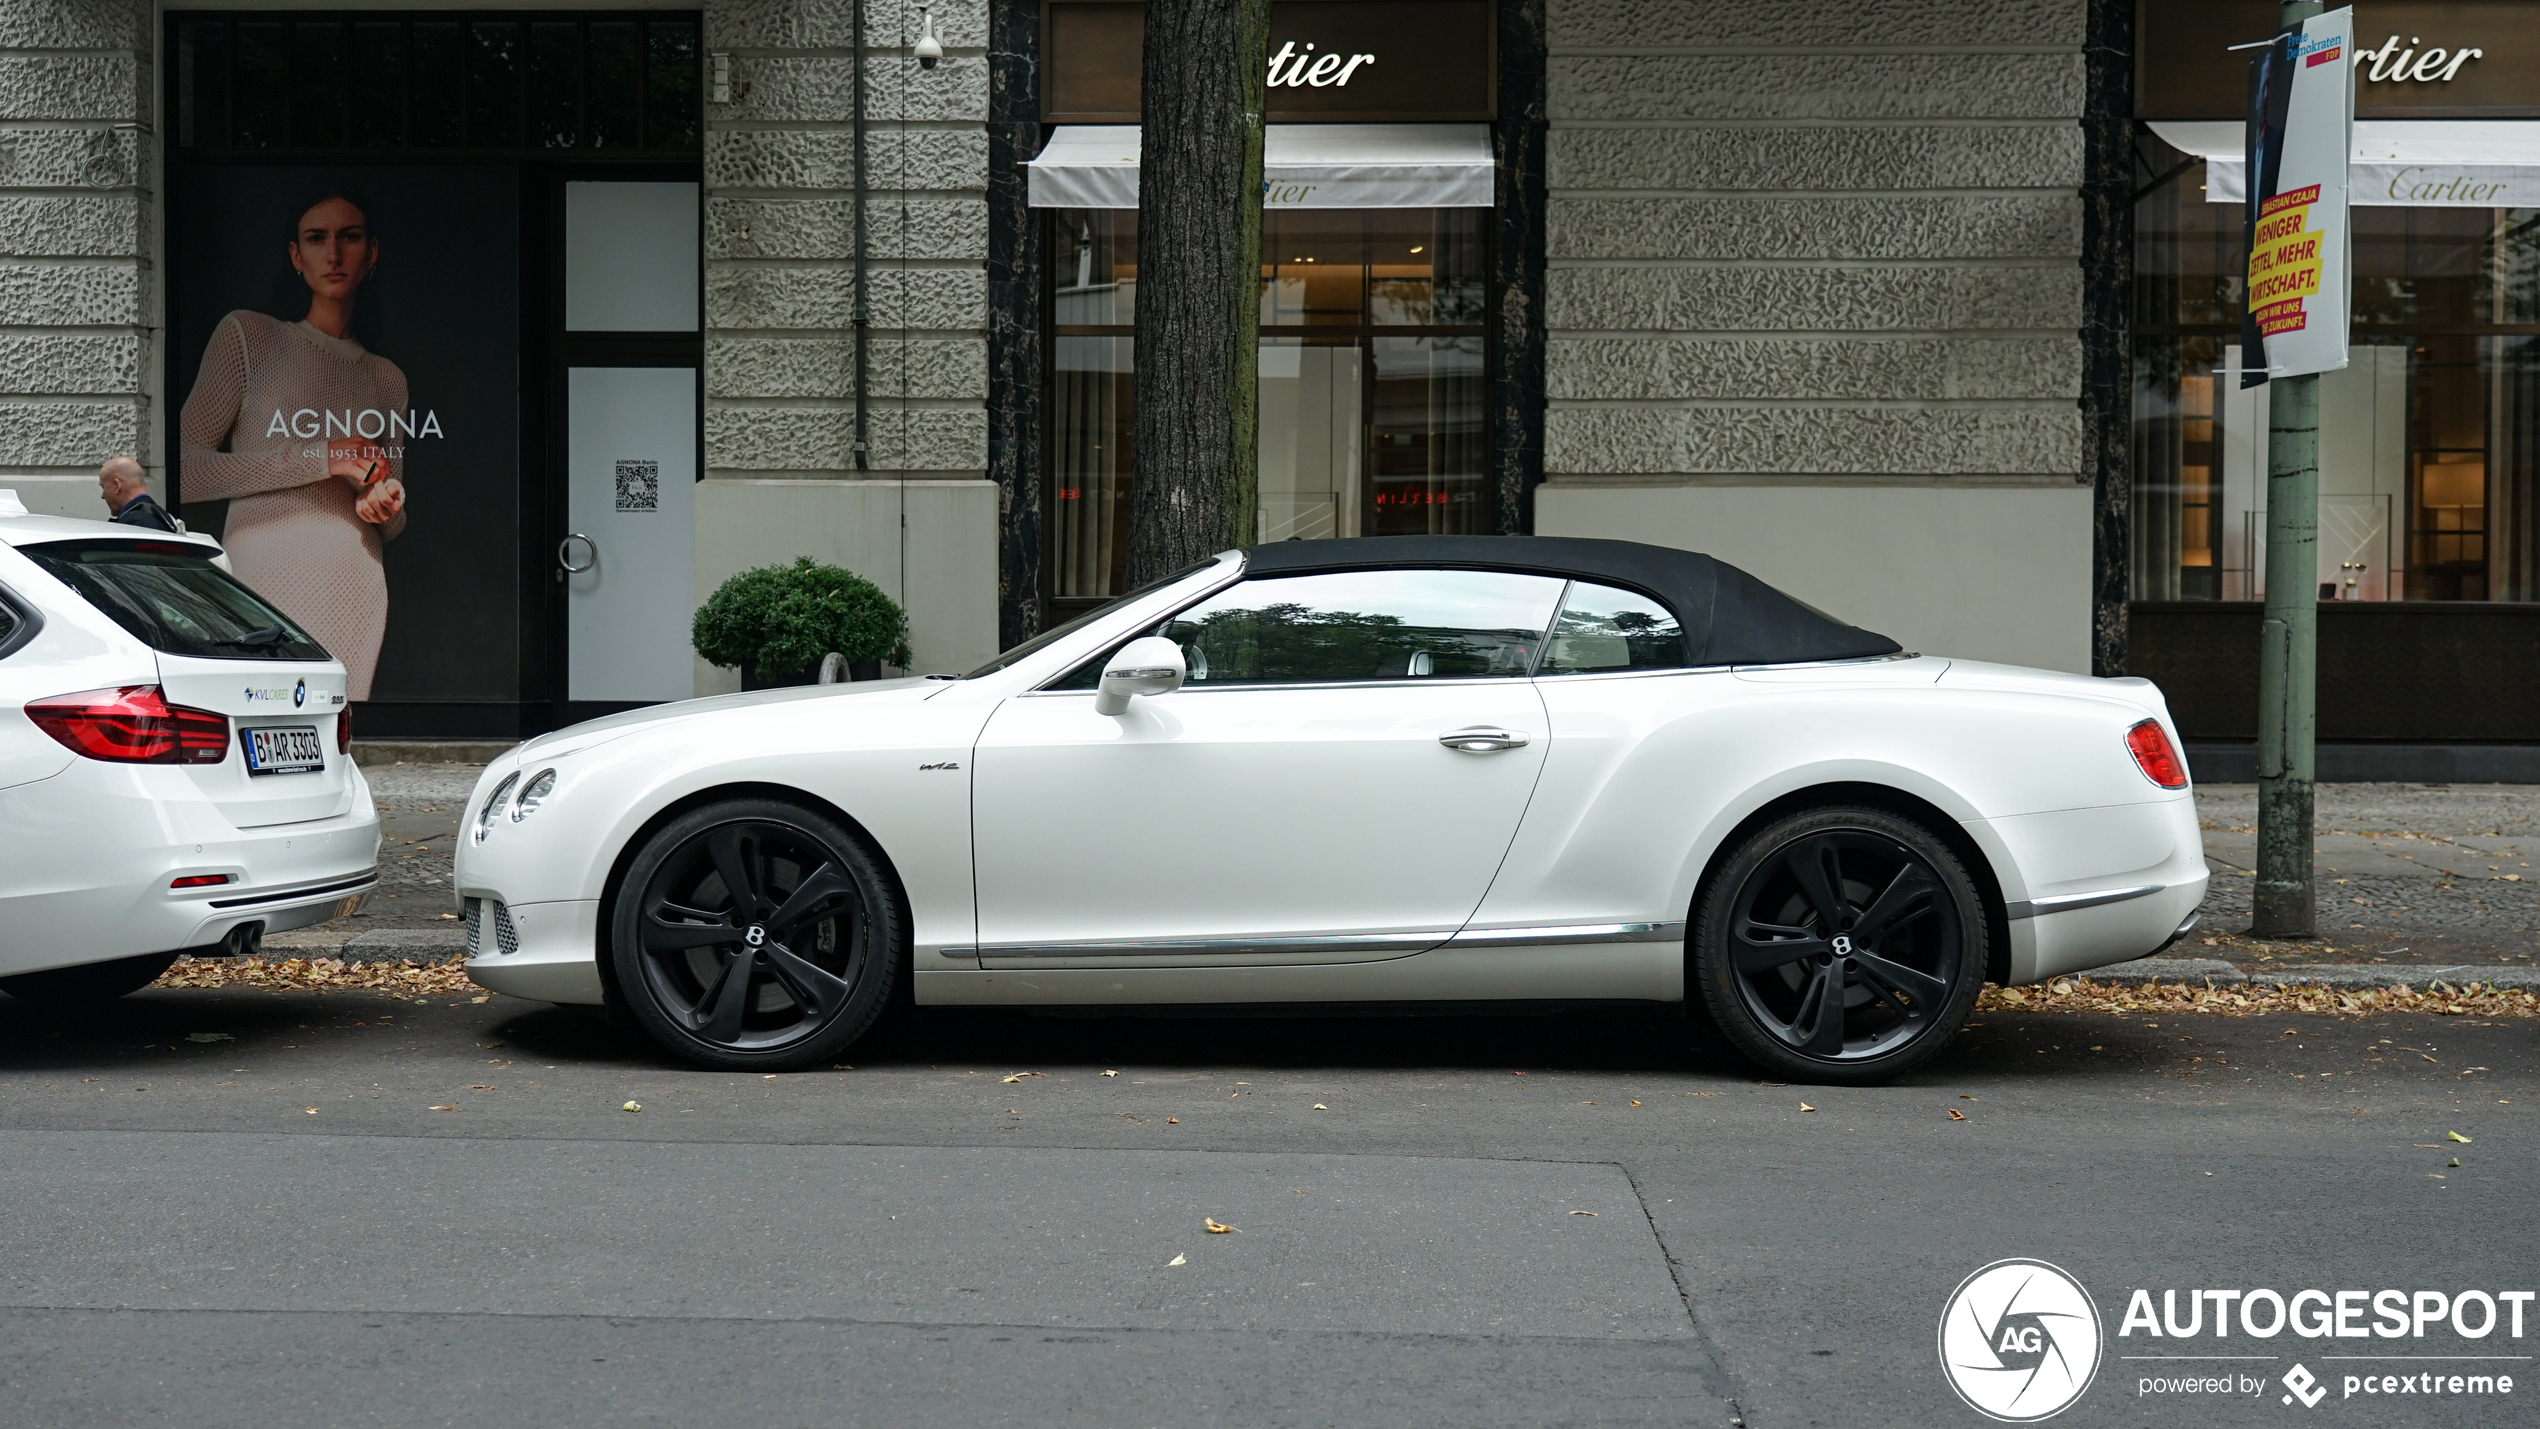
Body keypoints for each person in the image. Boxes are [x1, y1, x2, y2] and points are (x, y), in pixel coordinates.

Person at [178, 193, 408, 700]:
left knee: (340, 746)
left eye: (349, 237)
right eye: (316, 238)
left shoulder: (387, 379)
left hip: (355, 592)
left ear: (371, 252)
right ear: (294, 255)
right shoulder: (248, 337)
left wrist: (382, 504)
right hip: (261, 583)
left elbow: (391, 520)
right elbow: (184, 471)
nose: (333, 254)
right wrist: (322, 457)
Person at [96, 457, 181, 532]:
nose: (102, 496)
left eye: (104, 487)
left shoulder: (133, 525)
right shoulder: (164, 517)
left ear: (117, 486)